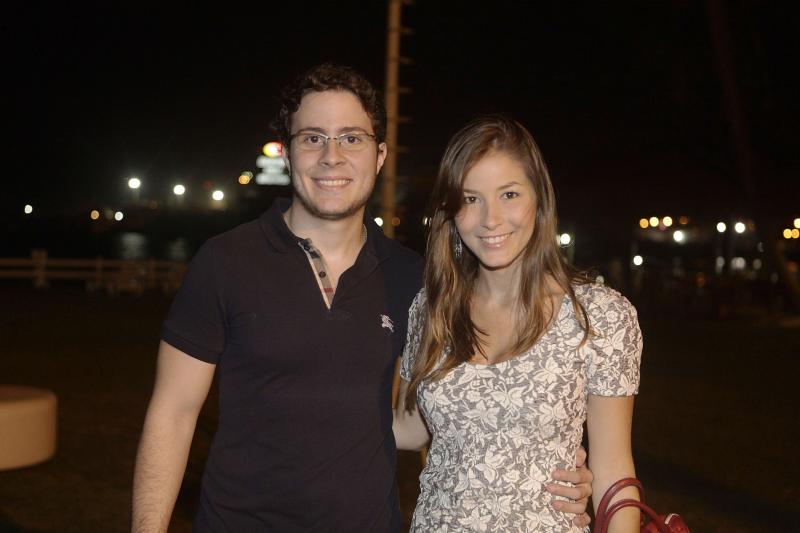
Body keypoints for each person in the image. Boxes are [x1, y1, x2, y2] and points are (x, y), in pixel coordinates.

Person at [132, 64, 593, 532]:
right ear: (288, 154)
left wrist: (542, 458)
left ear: (379, 155)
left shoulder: (415, 278)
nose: (331, 156)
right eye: (313, 138)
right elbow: (173, 413)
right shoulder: (225, 261)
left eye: (351, 138)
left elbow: (430, 414)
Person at [393, 115, 643, 532]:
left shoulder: (600, 316)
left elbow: (614, 470)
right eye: (470, 199)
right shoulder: (431, 309)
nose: (490, 218)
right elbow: (409, 429)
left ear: (539, 199)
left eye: (509, 194)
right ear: (451, 211)